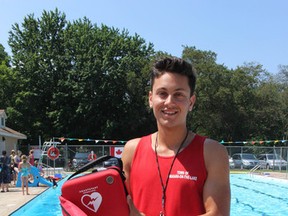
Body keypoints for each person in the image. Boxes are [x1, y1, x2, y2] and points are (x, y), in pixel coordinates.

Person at [122, 57, 231, 216]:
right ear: (151, 99)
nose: (169, 102)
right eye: (162, 93)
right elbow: (121, 206)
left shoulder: (212, 153)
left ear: (191, 102)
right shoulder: (132, 150)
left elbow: (218, 214)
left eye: (178, 95)